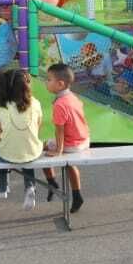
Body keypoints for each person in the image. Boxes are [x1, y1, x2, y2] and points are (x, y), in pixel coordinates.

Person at [0, 67, 44, 210]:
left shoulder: (0, 107)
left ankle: (2, 187)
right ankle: (30, 186)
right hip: (32, 153)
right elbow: (38, 128)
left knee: (0, 148)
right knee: (28, 154)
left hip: (6, 155)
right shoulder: (36, 103)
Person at [43, 61, 89, 213]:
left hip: (71, 144)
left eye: (49, 80)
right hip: (83, 141)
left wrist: (58, 150)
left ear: (60, 84)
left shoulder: (60, 104)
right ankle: (77, 195)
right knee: (69, 165)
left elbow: (59, 131)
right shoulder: (73, 97)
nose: (46, 82)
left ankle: (51, 183)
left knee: (40, 149)